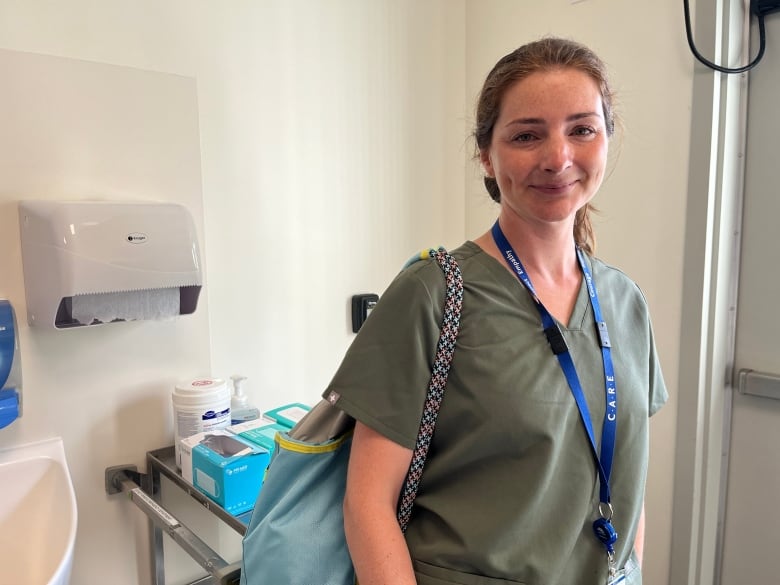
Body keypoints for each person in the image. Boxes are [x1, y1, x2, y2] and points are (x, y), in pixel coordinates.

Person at [324, 36, 668, 585]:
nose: (558, 158)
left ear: (607, 139)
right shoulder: (433, 294)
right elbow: (367, 506)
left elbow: (624, 476)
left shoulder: (625, 302)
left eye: (582, 129)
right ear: (487, 153)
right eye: (527, 135)